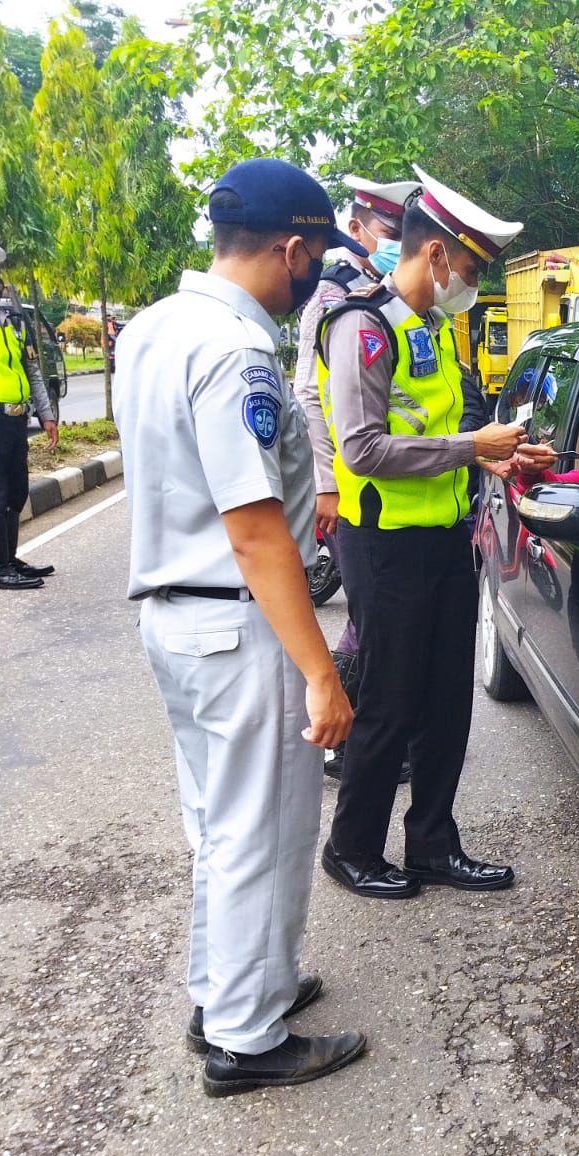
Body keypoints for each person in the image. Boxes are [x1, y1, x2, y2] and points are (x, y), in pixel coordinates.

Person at [114, 158, 367, 1097]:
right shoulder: (236, 351)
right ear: (291, 249)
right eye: (316, 259)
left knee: (223, 829)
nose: (317, 277)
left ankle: (225, 993)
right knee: (262, 831)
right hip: (237, 618)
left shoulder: (155, 327)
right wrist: (321, 671)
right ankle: (247, 1040)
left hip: (180, 623)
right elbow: (257, 530)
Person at [317, 164, 525, 900]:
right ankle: (353, 847)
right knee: (389, 701)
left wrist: (498, 454)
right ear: (435, 255)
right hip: (383, 546)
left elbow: (455, 426)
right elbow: (364, 448)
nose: (468, 282)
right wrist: (475, 449)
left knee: (446, 703)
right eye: (467, 267)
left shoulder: (433, 328)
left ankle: (433, 842)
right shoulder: (360, 327)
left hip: (444, 537)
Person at [294, 174, 419, 782]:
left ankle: (361, 732)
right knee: (366, 621)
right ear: (363, 224)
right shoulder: (333, 291)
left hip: (387, 483)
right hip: (352, 479)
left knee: (366, 620)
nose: (397, 243)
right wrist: (327, 483)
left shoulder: (380, 290)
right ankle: (345, 740)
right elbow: (309, 393)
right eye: (391, 232)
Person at [0, 243, 58, 589]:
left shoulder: (14, 321)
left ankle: (9, 560)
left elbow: (31, 370)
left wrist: (46, 415)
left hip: (16, 420)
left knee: (16, 491)